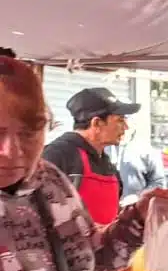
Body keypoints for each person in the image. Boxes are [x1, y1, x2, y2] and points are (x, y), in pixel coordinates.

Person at [0, 55, 168, 271]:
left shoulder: (50, 181)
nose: (11, 151)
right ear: (95, 123)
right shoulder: (63, 154)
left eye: (29, 133)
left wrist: (138, 219)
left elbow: (86, 261)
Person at [41, 87, 138, 225]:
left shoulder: (105, 160)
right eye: (120, 120)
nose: (126, 127)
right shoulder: (58, 155)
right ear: (97, 123)